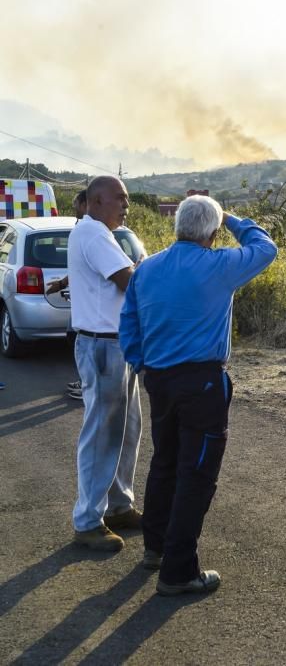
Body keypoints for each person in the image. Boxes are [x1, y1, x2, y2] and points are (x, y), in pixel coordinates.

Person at [120, 195, 278, 595]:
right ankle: (178, 571)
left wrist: (141, 363)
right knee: (198, 474)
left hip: (158, 379)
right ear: (211, 231)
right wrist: (234, 219)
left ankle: (155, 549)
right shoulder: (219, 265)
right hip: (202, 383)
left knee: (166, 462)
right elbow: (266, 248)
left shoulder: (147, 268)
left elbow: (129, 324)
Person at [68, 176, 142, 551]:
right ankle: (87, 522)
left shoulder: (95, 232)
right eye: (121, 199)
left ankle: (118, 506)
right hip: (104, 346)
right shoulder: (95, 234)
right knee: (103, 434)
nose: (126, 205)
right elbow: (128, 279)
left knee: (126, 430)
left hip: (115, 345)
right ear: (97, 201)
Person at [46, 189, 88, 400]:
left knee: (80, 339)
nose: (74, 209)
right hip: (79, 300)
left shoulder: (89, 231)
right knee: (74, 337)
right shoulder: (82, 228)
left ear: (85, 204)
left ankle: (86, 384)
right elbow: (77, 267)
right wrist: (62, 282)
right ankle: (84, 381)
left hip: (87, 303)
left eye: (75, 204)